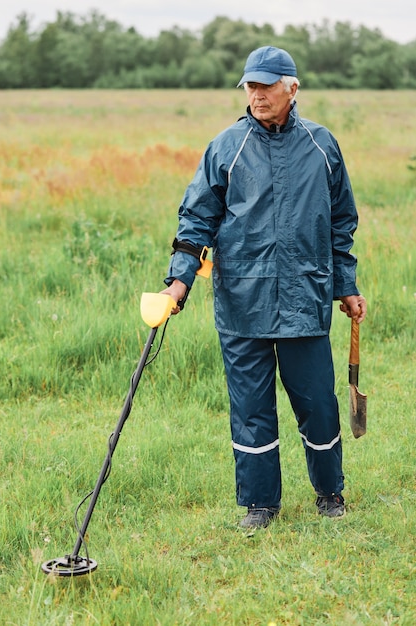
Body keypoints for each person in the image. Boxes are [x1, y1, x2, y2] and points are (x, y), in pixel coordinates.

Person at [162, 46, 367, 529]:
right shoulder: (225, 147)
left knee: (318, 402)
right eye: (249, 86)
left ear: (291, 88)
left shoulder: (322, 145)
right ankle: (260, 504)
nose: (256, 95)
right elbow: (195, 221)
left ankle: (329, 492)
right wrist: (177, 283)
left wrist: (346, 286)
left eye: (265, 85)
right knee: (251, 408)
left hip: (305, 300)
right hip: (241, 302)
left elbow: (341, 224)